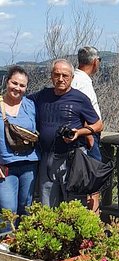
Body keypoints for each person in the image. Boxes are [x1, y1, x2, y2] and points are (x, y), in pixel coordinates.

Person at [29, 59, 103, 207]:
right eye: (57, 75)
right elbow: (19, 103)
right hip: (47, 157)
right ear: (51, 76)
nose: (61, 79)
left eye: (65, 75)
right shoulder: (42, 96)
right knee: (47, 205)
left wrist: (80, 132)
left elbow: (99, 124)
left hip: (73, 157)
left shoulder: (80, 98)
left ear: (72, 77)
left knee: (74, 204)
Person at [0, 66, 38, 231]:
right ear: (7, 82)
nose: (17, 88)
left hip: (29, 163)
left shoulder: (30, 106)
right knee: (8, 210)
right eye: (14, 83)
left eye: (22, 85)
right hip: (5, 166)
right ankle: (5, 247)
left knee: (26, 208)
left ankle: (21, 245)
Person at [71, 46, 103, 212]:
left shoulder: (77, 79)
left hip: (85, 136)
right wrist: (90, 138)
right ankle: (92, 220)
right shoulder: (82, 82)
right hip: (87, 137)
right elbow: (81, 111)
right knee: (93, 183)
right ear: (95, 61)